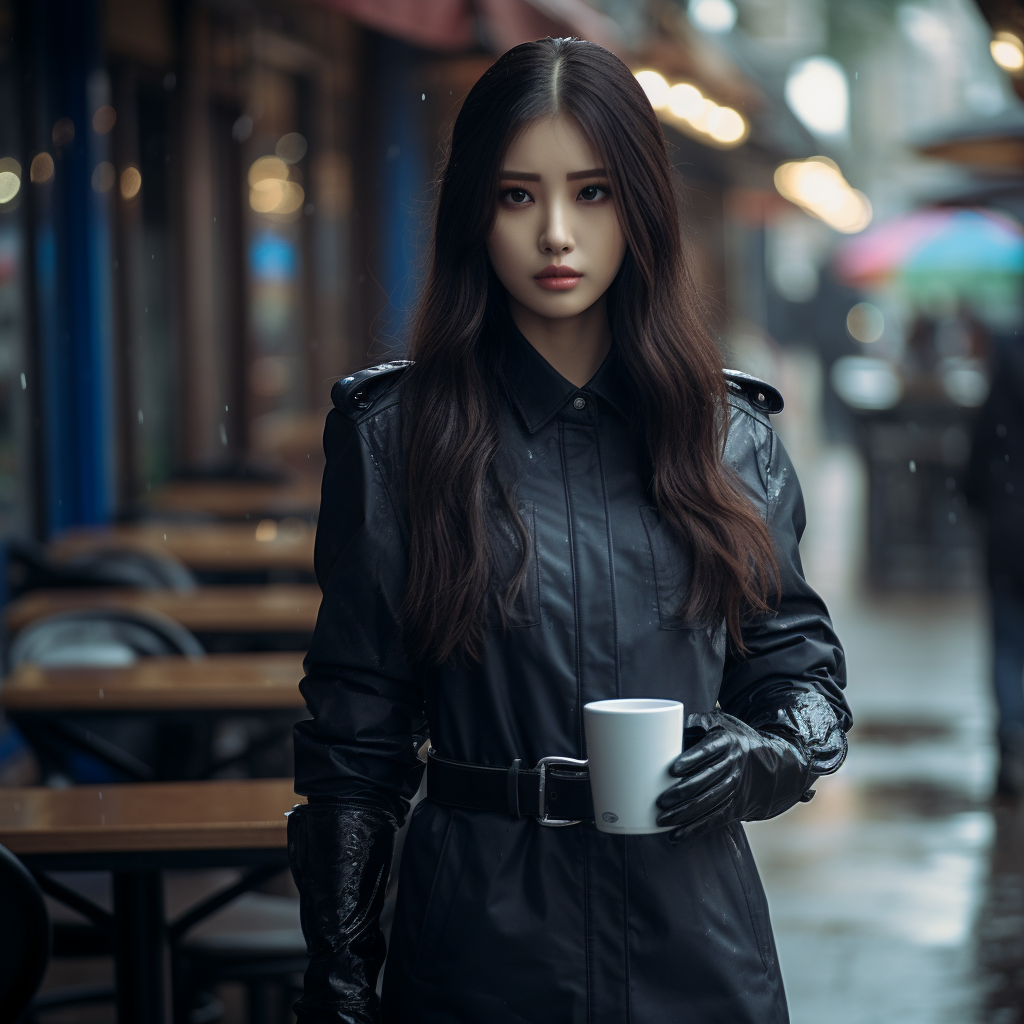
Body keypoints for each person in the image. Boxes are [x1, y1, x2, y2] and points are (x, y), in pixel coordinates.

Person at [288, 37, 851, 1024]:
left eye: (591, 193)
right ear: (474, 211)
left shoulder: (733, 441)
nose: (556, 233)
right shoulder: (393, 440)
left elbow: (799, 678)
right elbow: (354, 739)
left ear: (640, 205)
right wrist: (337, 969)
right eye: (517, 196)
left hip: (696, 941)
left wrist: (760, 758)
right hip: (479, 945)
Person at [965, 328, 1024, 796]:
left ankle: (1012, 740)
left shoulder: (1009, 355)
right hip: (1008, 518)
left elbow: (983, 444)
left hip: (1009, 523)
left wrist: (977, 497)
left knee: (1007, 639)